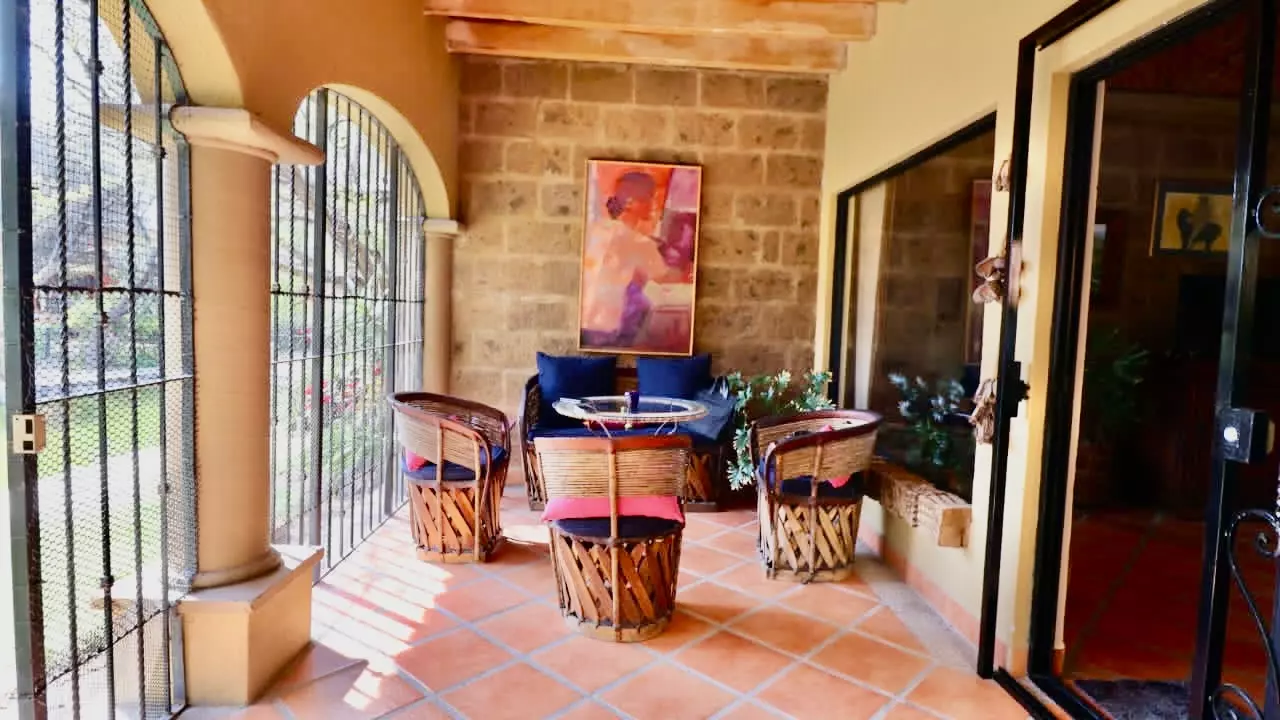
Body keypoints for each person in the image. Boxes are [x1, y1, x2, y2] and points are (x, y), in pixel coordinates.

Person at [580, 171, 684, 348]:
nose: (654, 205)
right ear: (631, 203)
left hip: (583, 325)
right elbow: (665, 277)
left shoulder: (594, 230)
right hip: (608, 332)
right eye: (651, 198)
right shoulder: (640, 243)